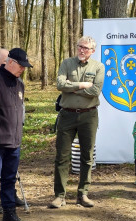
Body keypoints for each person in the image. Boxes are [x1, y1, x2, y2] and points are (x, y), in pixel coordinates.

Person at [51, 37, 103, 208]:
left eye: (86, 48)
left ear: (92, 51)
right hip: (67, 115)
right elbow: (60, 84)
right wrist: (81, 85)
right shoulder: (66, 63)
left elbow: (95, 90)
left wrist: (71, 87)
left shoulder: (98, 67)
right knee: (62, 156)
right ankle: (59, 195)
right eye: (79, 46)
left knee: (87, 157)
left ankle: (83, 194)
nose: (82, 50)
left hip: (89, 116)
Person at [0, 48, 31, 221]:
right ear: (10, 62)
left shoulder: (20, 84)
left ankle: (9, 213)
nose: (23, 69)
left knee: (9, 179)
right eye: (21, 66)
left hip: (14, 140)